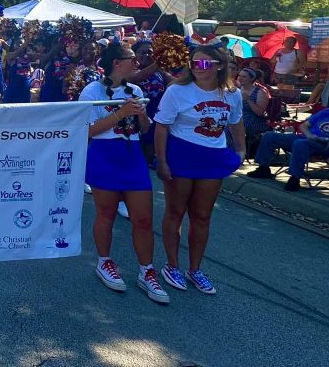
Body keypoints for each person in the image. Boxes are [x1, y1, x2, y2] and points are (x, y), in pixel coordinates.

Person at [80, 42, 167, 304]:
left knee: (143, 219)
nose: (137, 63)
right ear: (117, 63)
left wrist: (141, 116)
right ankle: (105, 262)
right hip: (104, 155)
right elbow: (86, 132)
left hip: (132, 156)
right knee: (105, 214)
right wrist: (121, 113)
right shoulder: (91, 90)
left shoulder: (136, 89)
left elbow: (142, 130)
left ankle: (146, 271)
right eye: (132, 58)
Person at [154, 46, 245, 295]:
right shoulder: (177, 91)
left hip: (212, 157)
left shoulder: (232, 93)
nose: (197, 67)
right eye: (193, 63)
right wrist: (161, 161)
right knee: (176, 211)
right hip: (182, 154)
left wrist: (240, 151)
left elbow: (236, 121)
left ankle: (195, 269)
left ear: (218, 66)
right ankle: (172, 265)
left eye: (204, 64)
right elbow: (161, 126)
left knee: (202, 216)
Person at [248, 95, 329, 191]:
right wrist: (309, 135)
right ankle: (263, 168)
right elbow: (304, 125)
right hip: (308, 137)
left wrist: (327, 140)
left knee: (300, 143)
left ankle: (295, 178)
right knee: (270, 136)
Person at [237, 68, 272, 155]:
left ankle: (238, 151)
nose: (240, 78)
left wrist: (248, 99)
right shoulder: (237, 90)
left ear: (251, 79)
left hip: (254, 120)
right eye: (239, 76)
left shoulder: (260, 91)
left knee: (234, 126)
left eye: (244, 77)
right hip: (239, 116)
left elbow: (260, 112)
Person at [270, 36, 304, 100]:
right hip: (278, 72)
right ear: (284, 43)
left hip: (290, 73)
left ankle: (288, 101)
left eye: (291, 42)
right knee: (280, 90)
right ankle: (281, 102)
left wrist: (296, 68)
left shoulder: (297, 52)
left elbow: (302, 62)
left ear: (294, 44)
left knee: (288, 90)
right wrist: (276, 56)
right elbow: (272, 61)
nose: (289, 43)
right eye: (287, 41)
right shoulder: (279, 50)